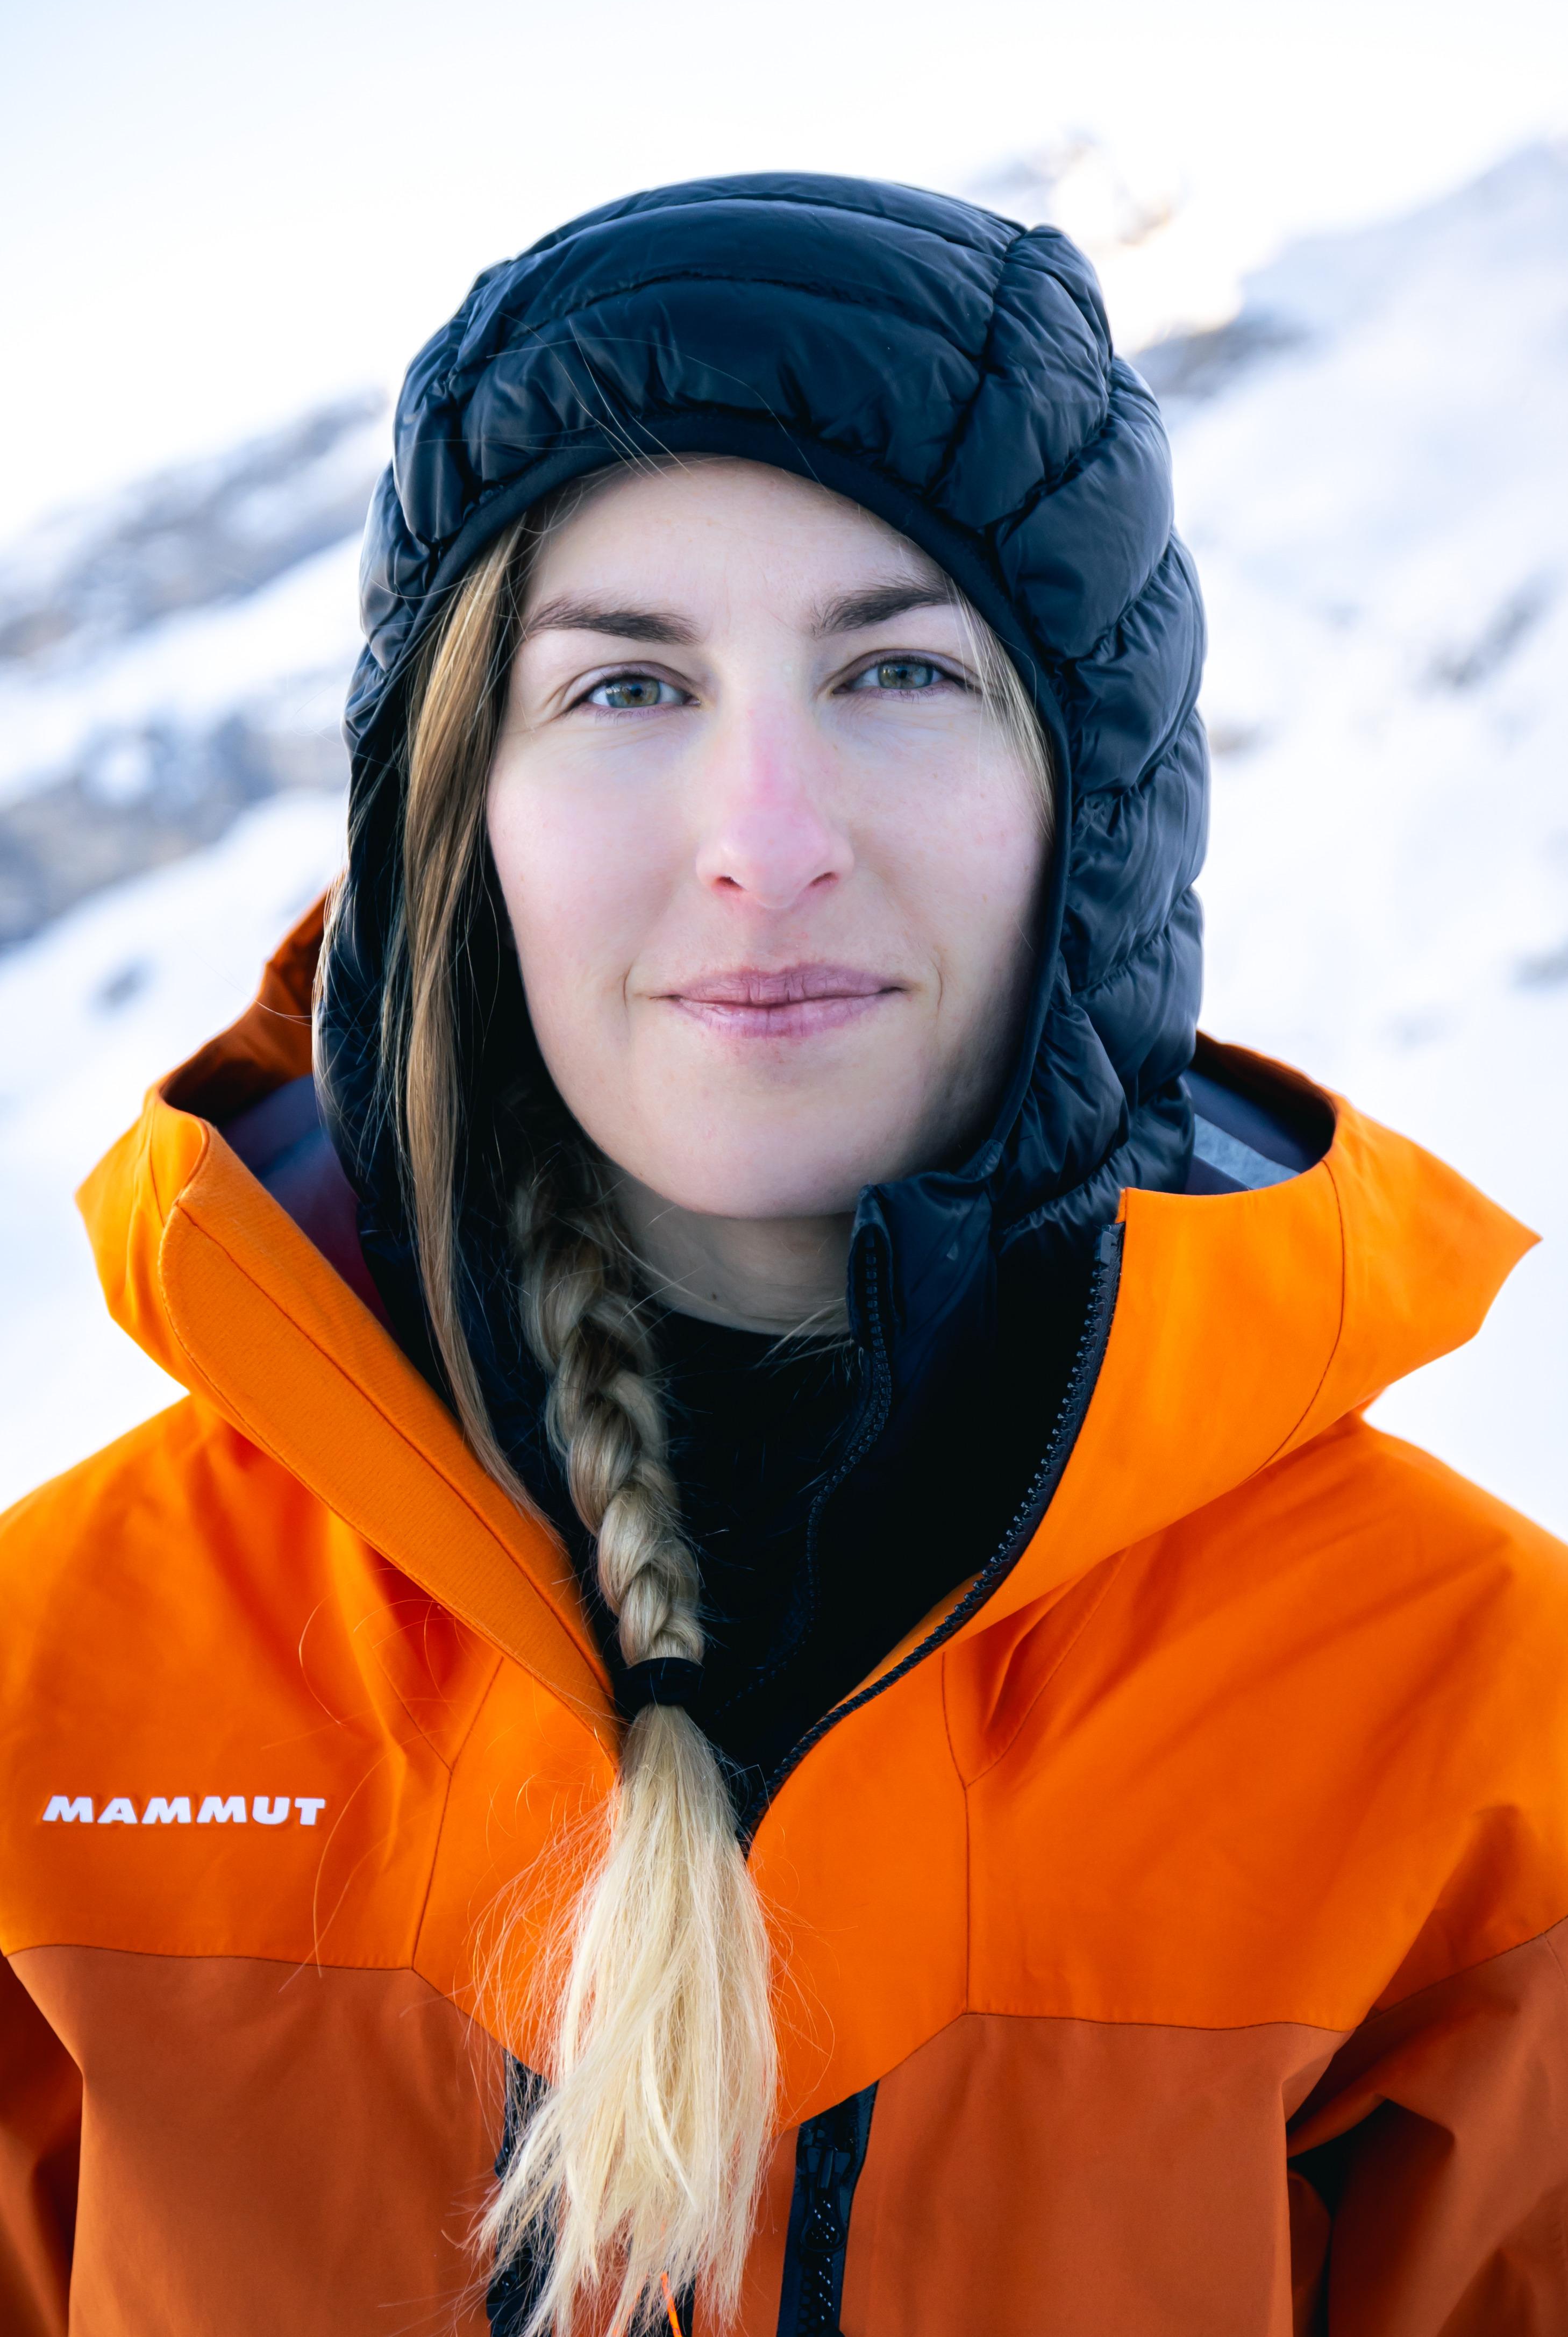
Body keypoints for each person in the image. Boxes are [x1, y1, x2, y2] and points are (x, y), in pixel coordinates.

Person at [1, 173, 1564, 2337]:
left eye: (902, 669)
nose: (764, 841)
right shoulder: (50, 1682)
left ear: (1092, 810)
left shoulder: (1483, 1733)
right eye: (626, 688)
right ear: (459, 817)